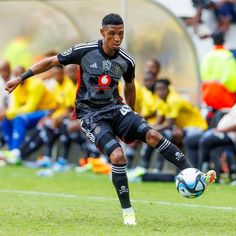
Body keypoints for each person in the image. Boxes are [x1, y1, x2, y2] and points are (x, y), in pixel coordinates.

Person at [5, 13, 216, 226]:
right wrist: (20, 78)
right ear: (102, 32)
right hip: (90, 115)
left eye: (121, 34)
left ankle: (194, 173)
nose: (117, 38)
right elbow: (51, 61)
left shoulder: (126, 60)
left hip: (116, 108)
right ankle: (128, 212)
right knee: (117, 156)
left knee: (152, 134)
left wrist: (132, 114)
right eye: (112, 33)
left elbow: (130, 86)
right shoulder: (84, 51)